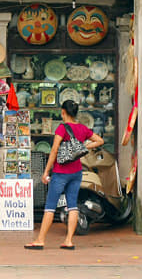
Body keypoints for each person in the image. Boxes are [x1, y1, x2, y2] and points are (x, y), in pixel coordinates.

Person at [25, 100, 103, 250]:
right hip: (76, 172)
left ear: (63, 112)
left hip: (61, 173)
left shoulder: (62, 128)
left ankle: (40, 240)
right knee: (72, 205)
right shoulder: (82, 128)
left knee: (50, 206)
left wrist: (46, 171)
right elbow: (100, 141)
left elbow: (54, 150)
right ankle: (68, 241)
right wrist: (85, 146)